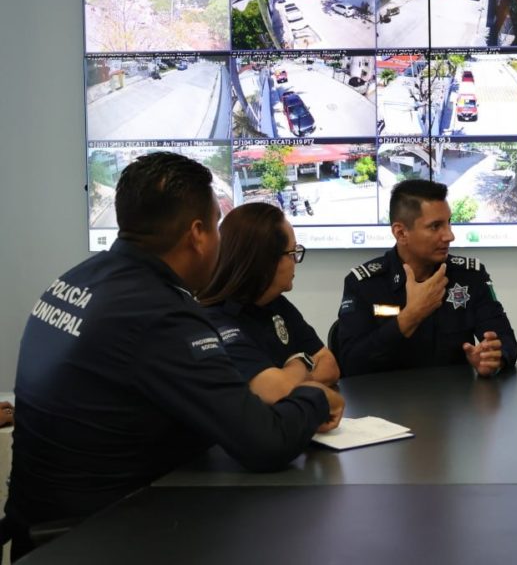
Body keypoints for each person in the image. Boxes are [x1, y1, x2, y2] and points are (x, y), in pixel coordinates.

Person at [5, 153, 343, 559]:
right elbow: (264, 442)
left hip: (42, 528)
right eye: (216, 228)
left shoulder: (79, 279)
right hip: (106, 536)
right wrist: (315, 398)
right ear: (197, 233)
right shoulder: (161, 316)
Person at [335, 179, 517, 376]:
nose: (449, 235)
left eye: (449, 223)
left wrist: (493, 358)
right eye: (435, 226)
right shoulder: (364, 284)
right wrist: (409, 317)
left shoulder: (469, 276)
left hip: (456, 402)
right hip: (385, 402)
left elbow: (505, 340)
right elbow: (350, 362)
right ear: (401, 232)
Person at [199, 203, 339, 405]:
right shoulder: (216, 319)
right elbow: (275, 390)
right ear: (266, 261)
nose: (296, 261)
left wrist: (292, 382)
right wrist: (302, 361)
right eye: (292, 253)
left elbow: (329, 365)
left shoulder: (278, 304)